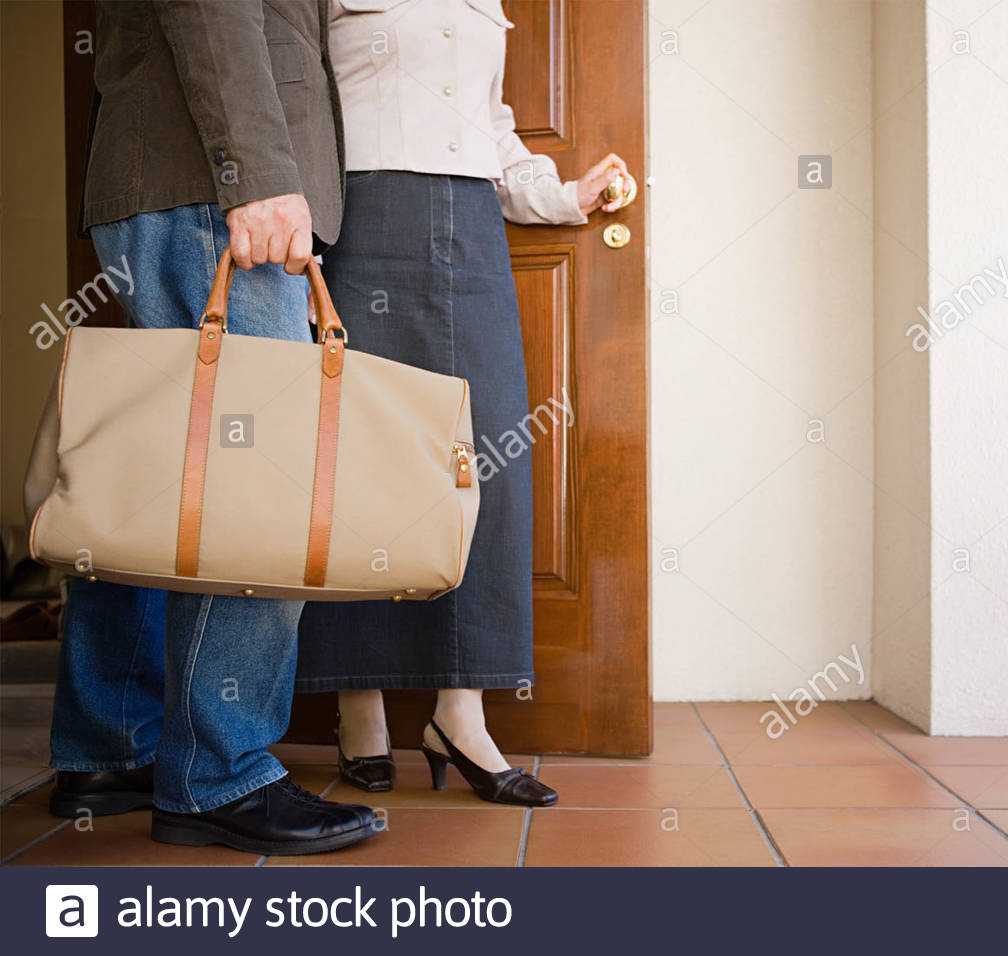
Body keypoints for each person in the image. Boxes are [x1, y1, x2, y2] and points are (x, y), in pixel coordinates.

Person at [46, 0, 379, 855]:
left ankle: (115, 747)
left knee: (165, 475)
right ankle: (218, 774)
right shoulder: (240, 183)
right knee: (252, 488)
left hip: (180, 176)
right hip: (212, 181)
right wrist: (259, 172)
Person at [294, 0, 633, 805]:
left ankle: (460, 713)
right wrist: (300, 245)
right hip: (361, 219)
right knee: (364, 467)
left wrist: (562, 195)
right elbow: (302, 100)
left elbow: (493, 126)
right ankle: (358, 705)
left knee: (482, 465)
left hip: (474, 224)